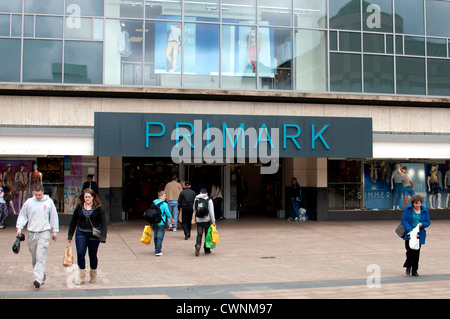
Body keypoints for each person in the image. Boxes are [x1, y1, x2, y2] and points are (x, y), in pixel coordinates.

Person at [16, 184, 59, 288]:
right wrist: (19, 228)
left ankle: (37, 279)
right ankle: (41, 274)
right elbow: (23, 215)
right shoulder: (29, 202)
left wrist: (55, 232)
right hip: (32, 233)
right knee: (34, 257)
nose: (38, 197)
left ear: (43, 192)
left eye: (39, 195)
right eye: (36, 195)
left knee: (41, 256)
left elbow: (53, 216)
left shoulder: (49, 202)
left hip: (44, 232)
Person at [67, 188, 107, 284]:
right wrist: (70, 235)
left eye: (89, 197)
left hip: (93, 233)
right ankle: (81, 276)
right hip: (81, 232)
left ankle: (93, 274)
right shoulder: (79, 207)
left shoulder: (99, 207)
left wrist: (103, 236)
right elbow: (73, 221)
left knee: (92, 255)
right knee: (80, 253)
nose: (87, 199)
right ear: (83, 197)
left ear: (93, 197)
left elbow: (103, 223)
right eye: (86, 197)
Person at [400, 194, 431, 277]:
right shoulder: (408, 209)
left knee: (416, 252)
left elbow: (428, 222)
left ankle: (415, 270)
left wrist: (422, 224)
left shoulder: (424, 211)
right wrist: (409, 229)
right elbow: (403, 219)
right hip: (409, 234)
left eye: (419, 203)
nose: (418, 205)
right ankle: (408, 266)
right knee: (409, 251)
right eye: (416, 203)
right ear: (413, 203)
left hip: (419, 234)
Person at [193, 188, 216, 257]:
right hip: (206, 220)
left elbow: (194, 208)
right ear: (207, 193)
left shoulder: (196, 199)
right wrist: (213, 221)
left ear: (200, 192)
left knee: (199, 234)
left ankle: (198, 245)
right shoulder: (209, 200)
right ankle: (207, 249)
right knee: (207, 234)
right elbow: (211, 212)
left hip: (198, 220)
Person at [151, 191, 174, 256]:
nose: (165, 197)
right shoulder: (164, 204)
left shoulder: (153, 203)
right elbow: (167, 213)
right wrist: (172, 219)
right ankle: (158, 251)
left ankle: (156, 248)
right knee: (160, 237)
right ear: (160, 196)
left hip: (154, 222)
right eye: (164, 196)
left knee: (155, 236)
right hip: (161, 222)